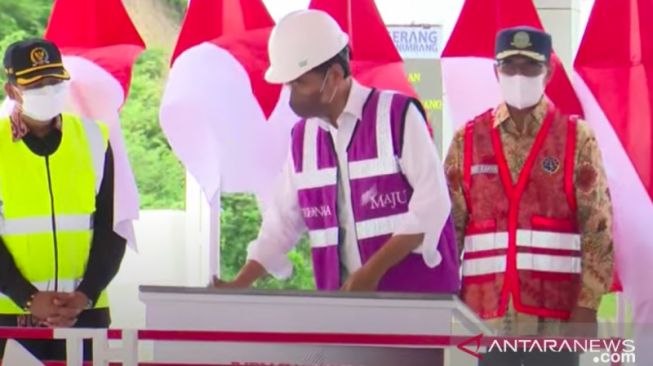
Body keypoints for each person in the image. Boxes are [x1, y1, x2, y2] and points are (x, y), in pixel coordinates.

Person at [214, 9, 459, 296]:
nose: (291, 94)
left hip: (414, 301)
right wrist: (238, 285)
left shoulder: (396, 116)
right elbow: (281, 223)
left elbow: (433, 204)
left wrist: (372, 272)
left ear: (333, 76)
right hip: (341, 306)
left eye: (299, 83)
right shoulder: (303, 140)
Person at [444, 26, 614, 366]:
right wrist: (445, 296)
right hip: (488, 317)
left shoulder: (576, 138)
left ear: (548, 71)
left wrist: (587, 305)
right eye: (510, 66)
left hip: (557, 320)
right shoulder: (468, 139)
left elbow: (598, 228)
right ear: (496, 71)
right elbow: (451, 230)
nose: (518, 75)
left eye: (529, 66)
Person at [0, 38, 126, 361]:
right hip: (11, 316)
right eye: (37, 84)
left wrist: (86, 294)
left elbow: (113, 226)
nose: (48, 90)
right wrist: (28, 298)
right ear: (12, 90)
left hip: (85, 313)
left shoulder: (95, 139)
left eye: (55, 81)